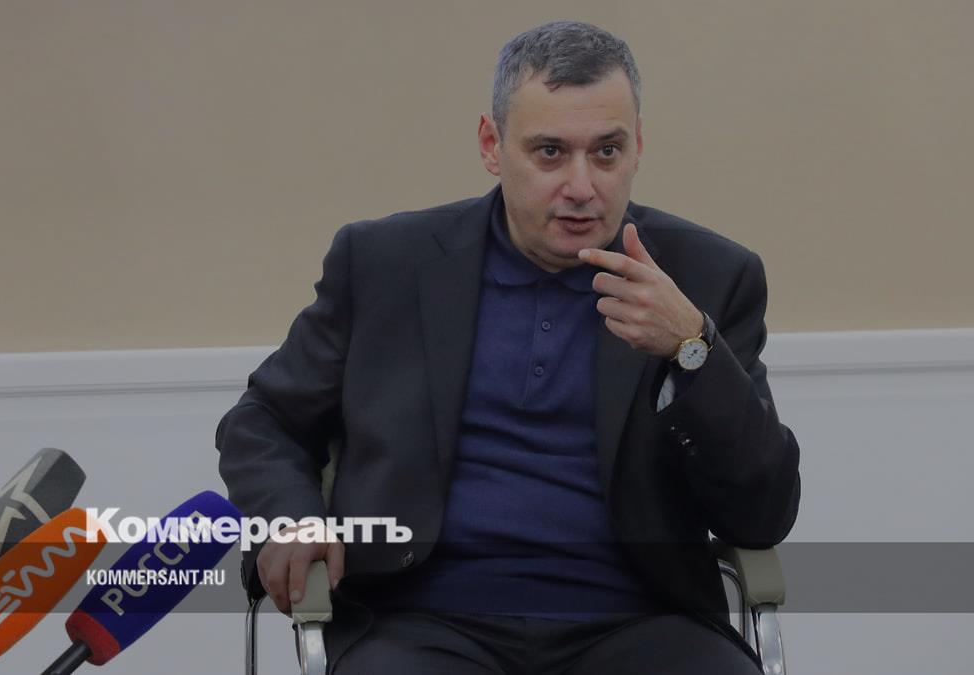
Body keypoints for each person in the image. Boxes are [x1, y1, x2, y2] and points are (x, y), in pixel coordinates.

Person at [217, 20, 800, 674]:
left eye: (606, 152)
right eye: (550, 152)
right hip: (420, 620)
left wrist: (692, 350)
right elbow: (263, 420)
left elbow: (763, 514)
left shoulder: (707, 277)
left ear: (638, 146)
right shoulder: (386, 263)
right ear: (492, 145)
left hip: (640, 620)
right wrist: (292, 519)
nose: (581, 186)